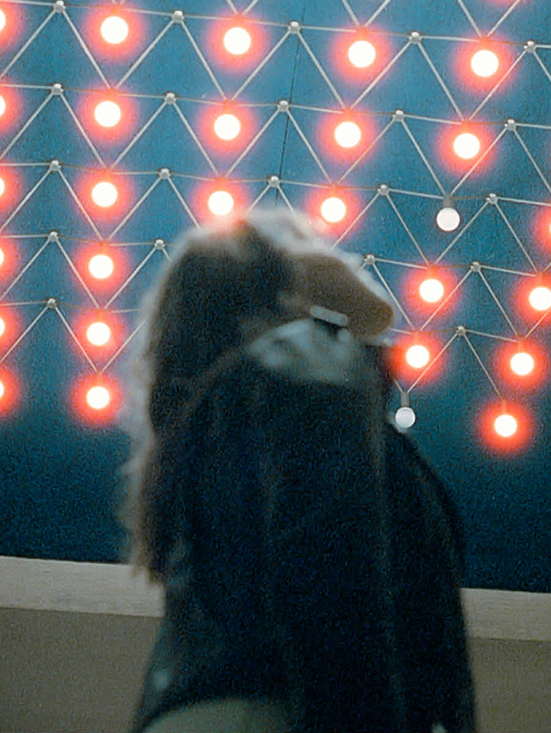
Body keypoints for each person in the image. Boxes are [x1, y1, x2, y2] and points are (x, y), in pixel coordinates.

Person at [125, 210, 476, 733]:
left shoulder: (223, 416)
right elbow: (331, 570)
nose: (338, 249)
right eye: (309, 240)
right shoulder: (309, 364)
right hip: (286, 710)